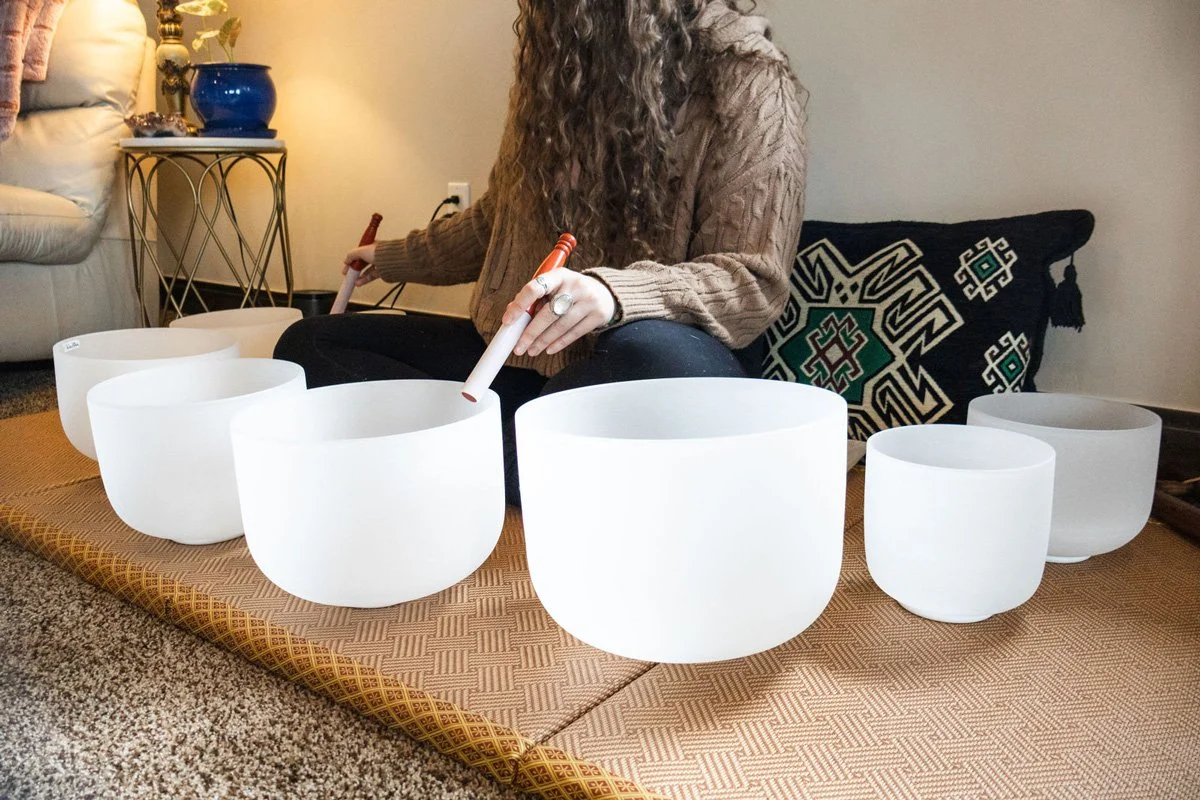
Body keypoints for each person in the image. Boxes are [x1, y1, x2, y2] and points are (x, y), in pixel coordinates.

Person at [274, 0, 808, 504]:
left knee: (650, 356)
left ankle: (453, 455)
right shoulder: (556, 72)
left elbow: (752, 279)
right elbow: (497, 223)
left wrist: (611, 294)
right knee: (310, 345)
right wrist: (390, 257)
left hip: (645, 361)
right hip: (533, 364)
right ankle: (554, 464)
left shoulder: (748, 80)